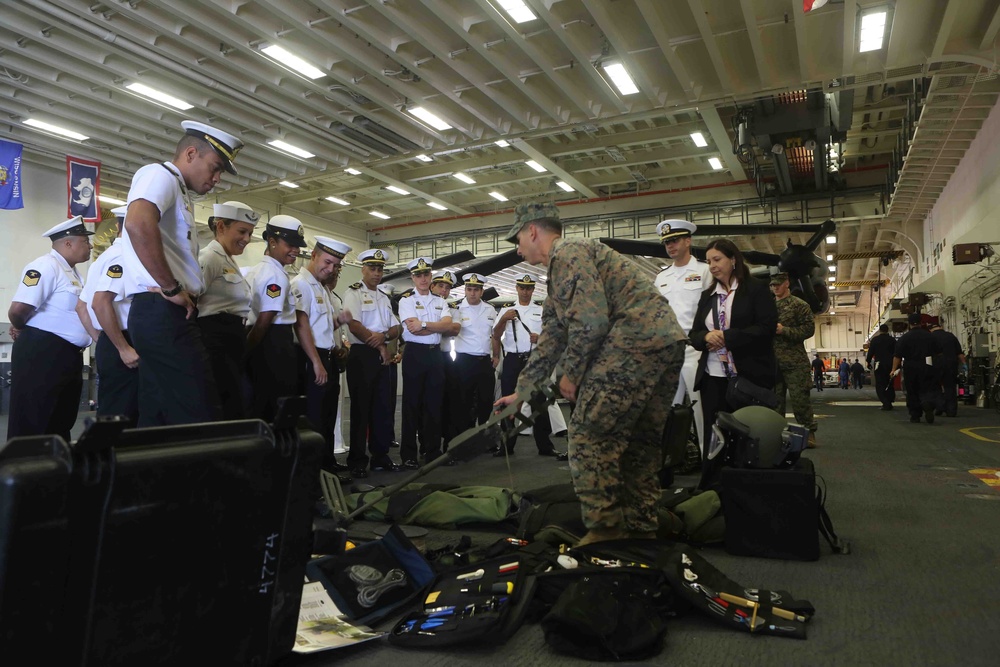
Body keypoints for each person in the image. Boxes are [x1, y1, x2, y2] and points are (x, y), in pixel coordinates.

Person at [495, 202, 687, 546]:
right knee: (638, 443)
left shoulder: (569, 253)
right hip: (665, 342)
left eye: (518, 239)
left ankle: (606, 529)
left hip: (634, 342)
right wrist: (522, 390)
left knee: (588, 434)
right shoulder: (560, 271)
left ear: (533, 231)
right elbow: (553, 336)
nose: (517, 248)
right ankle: (642, 526)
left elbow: (591, 322)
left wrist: (571, 374)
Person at [121, 120, 241, 426]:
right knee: (199, 410)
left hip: (161, 311)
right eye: (214, 168)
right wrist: (172, 288)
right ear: (190, 153)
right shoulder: (158, 175)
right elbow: (137, 224)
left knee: (159, 413)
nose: (216, 179)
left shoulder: (177, 189)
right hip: (161, 309)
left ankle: (149, 474)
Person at [688, 238, 778, 478]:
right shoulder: (708, 296)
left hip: (749, 377)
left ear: (733, 259)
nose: (712, 266)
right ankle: (712, 486)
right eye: (708, 261)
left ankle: (746, 487)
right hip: (712, 378)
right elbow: (693, 334)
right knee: (713, 435)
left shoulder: (756, 289)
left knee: (748, 435)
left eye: (717, 259)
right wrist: (706, 337)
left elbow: (766, 328)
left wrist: (729, 337)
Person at [7, 216, 96, 441]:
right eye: (85, 241)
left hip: (65, 355)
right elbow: (18, 310)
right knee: (34, 420)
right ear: (68, 243)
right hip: (42, 353)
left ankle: (55, 470)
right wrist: (20, 328)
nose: (90, 246)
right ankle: (26, 471)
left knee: (60, 420)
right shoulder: (45, 266)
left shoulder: (73, 273)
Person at [291, 236, 354, 471]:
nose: (330, 269)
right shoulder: (300, 284)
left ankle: (327, 465)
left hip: (327, 357)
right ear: (313, 255)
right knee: (314, 419)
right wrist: (316, 362)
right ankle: (312, 473)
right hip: (311, 358)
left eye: (336, 266)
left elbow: (322, 327)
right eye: (327, 262)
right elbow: (301, 325)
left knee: (328, 417)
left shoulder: (321, 288)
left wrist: (339, 320)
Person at [493, 273, 566, 459]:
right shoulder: (506, 310)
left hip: (535, 359)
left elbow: (552, 336)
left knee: (539, 402)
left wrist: (539, 338)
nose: (525, 292)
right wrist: (503, 320)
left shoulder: (541, 310)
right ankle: (506, 446)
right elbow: (495, 334)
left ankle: (545, 446)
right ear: (517, 288)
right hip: (512, 360)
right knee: (510, 402)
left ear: (533, 289)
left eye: (529, 288)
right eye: (522, 288)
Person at [342, 249, 403, 474]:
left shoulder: (384, 298)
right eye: (373, 269)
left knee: (382, 407)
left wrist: (384, 337)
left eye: (380, 269)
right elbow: (354, 325)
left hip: (381, 353)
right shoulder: (353, 293)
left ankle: (380, 456)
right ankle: (357, 461)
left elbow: (397, 327)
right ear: (363, 270)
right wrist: (379, 344)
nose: (377, 273)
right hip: (362, 354)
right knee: (360, 409)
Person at [653, 218, 711, 454]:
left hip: (696, 351)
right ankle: (672, 459)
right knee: (668, 411)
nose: (670, 245)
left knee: (701, 411)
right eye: (666, 242)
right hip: (668, 352)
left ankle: (708, 459)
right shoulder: (661, 278)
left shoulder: (705, 271)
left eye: (675, 240)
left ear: (688, 241)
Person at [197, 201, 257, 420]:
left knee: (237, 402)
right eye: (241, 232)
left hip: (231, 339)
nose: (247, 239)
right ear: (220, 227)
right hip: (215, 341)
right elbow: (191, 300)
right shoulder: (209, 257)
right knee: (222, 404)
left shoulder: (229, 260)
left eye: (250, 233)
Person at [80, 206, 139, 426]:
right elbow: (99, 302)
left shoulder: (103, 258)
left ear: (116, 226)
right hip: (125, 342)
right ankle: (111, 459)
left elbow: (81, 306)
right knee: (124, 415)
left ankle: (106, 458)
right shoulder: (124, 257)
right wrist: (122, 347)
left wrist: (102, 339)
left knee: (113, 411)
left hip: (113, 340)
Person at [244, 215, 306, 423]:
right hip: (274, 344)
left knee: (261, 403)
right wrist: (246, 350)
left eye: (298, 246)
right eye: (290, 244)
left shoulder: (257, 270)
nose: (295, 250)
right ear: (272, 242)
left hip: (263, 342)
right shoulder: (275, 276)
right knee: (277, 407)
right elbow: (265, 319)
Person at [398, 257, 453, 468]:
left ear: (431, 276)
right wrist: (434, 326)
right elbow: (411, 329)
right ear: (413, 278)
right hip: (415, 354)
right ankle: (409, 454)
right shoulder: (406, 301)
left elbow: (447, 326)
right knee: (411, 404)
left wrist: (423, 324)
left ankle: (432, 451)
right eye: (418, 275)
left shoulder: (440, 301)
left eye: (426, 275)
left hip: (434, 354)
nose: (422, 279)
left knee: (434, 404)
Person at [769, 272, 818, 448]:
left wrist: (785, 330)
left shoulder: (799, 305)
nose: (775, 287)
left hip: (795, 362)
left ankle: (809, 433)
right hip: (773, 363)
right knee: (775, 402)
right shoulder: (768, 307)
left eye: (778, 284)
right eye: (772, 284)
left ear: (787, 283)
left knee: (800, 400)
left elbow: (808, 330)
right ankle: (776, 434)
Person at [451, 272, 499, 435]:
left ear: (482, 291)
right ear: (465, 290)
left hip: (485, 361)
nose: (472, 293)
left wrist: (496, 355)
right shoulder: (456, 309)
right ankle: (464, 436)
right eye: (469, 289)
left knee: (486, 400)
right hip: (464, 361)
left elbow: (495, 335)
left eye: (476, 290)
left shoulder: (490, 309)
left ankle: (484, 435)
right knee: (463, 400)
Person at [890, 313, 943, 424]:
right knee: (927, 388)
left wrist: (893, 369)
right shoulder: (930, 336)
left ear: (909, 324)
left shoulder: (904, 338)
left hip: (910, 366)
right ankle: (927, 403)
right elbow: (939, 353)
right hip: (927, 365)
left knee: (912, 391)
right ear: (921, 322)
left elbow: (897, 356)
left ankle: (915, 415)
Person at [431, 270, 461, 451]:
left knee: (450, 402)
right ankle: (429, 446)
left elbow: (454, 329)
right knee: (428, 402)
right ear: (432, 286)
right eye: (440, 286)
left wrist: (429, 326)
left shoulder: (453, 309)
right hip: (428, 355)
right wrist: (442, 326)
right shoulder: (422, 306)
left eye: (447, 288)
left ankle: (448, 445)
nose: (443, 290)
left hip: (446, 357)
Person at [929, 323, 965, 417]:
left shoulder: (930, 337)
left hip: (936, 364)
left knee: (935, 386)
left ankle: (940, 406)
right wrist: (965, 366)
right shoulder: (951, 336)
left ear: (931, 329)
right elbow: (959, 353)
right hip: (951, 364)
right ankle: (951, 410)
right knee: (950, 387)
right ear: (941, 327)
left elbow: (927, 354)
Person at [866, 324, 896, 410]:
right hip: (891, 364)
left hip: (879, 365)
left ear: (879, 330)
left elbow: (870, 352)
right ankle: (890, 401)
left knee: (880, 384)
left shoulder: (875, 340)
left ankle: (885, 402)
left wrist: (868, 362)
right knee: (890, 383)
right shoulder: (892, 340)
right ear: (887, 330)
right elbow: (897, 353)